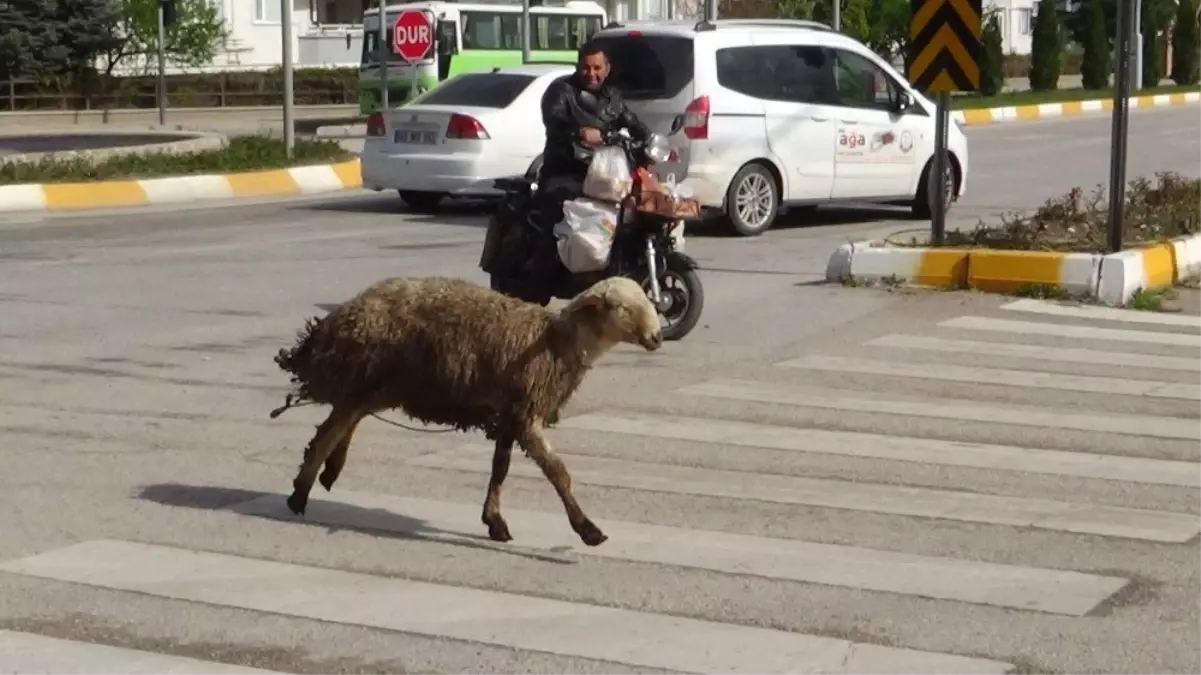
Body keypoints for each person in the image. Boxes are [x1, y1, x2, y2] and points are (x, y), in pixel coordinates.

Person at [534, 41, 653, 234]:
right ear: (578, 67)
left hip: (603, 172)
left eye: (597, 68)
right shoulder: (561, 90)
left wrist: (652, 140)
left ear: (607, 69)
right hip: (567, 169)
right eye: (586, 68)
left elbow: (631, 121)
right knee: (558, 215)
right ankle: (551, 257)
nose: (592, 74)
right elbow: (555, 119)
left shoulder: (612, 96)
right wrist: (579, 131)